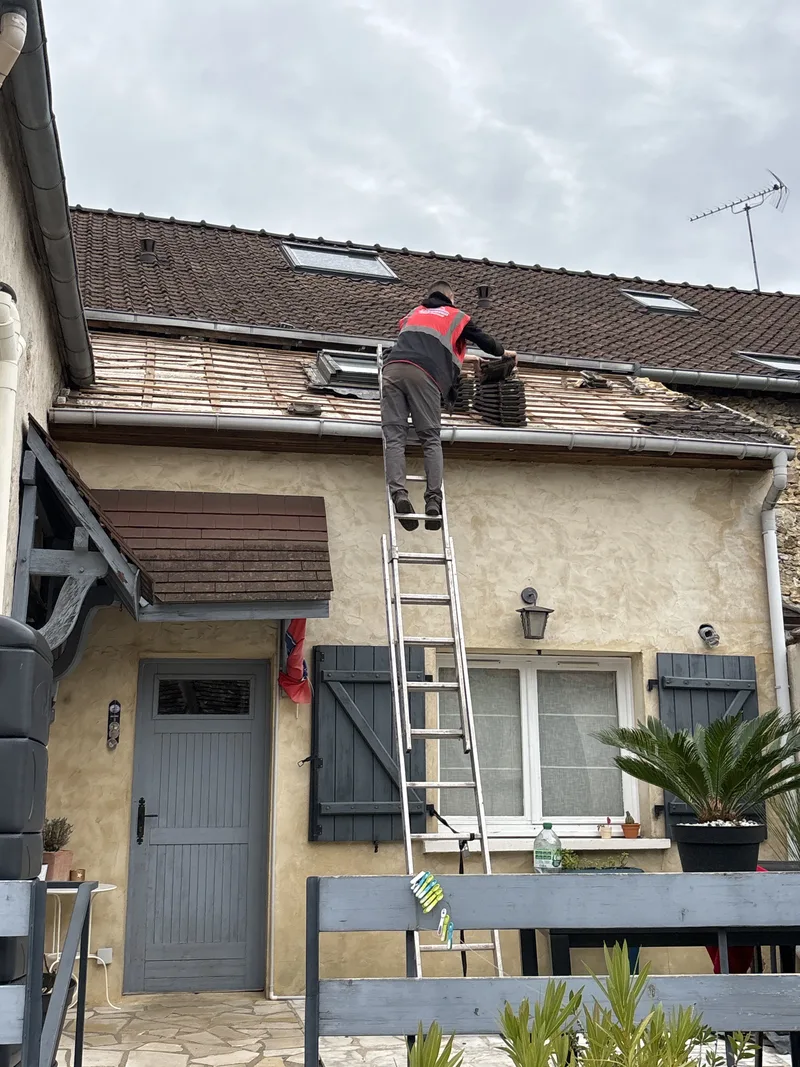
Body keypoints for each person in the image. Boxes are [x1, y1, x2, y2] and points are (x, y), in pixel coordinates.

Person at [381, 281, 514, 531]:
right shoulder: (457, 316)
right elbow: (487, 343)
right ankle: (433, 499)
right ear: (451, 297)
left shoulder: (414, 313)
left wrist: (467, 357)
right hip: (424, 374)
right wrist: (504, 353)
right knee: (430, 437)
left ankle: (399, 494)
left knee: (394, 437)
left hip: (392, 369)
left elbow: (425, 344)